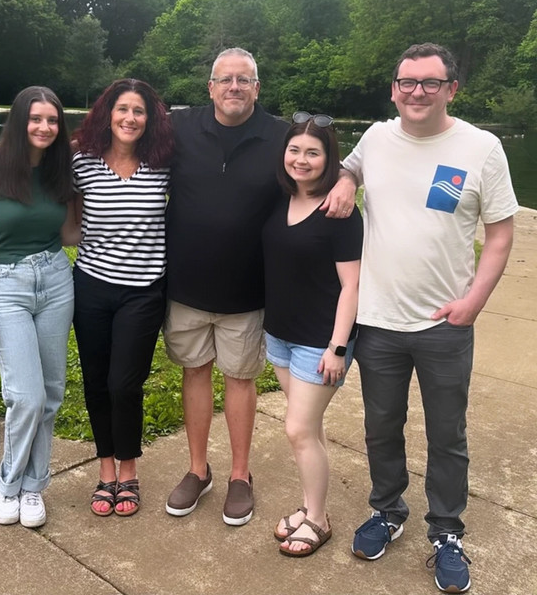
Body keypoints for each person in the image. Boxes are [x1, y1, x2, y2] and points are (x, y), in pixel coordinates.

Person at [338, 43, 518, 593]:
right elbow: (345, 169)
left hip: (445, 324)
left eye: (430, 83)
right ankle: (388, 510)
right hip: (379, 320)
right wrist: (347, 181)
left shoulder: (480, 147)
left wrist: (474, 301)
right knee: (380, 428)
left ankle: (446, 531)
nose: (418, 92)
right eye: (407, 82)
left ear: (451, 90)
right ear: (394, 89)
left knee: (447, 435)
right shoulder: (374, 138)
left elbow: (501, 232)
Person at [164, 47, 355, 526]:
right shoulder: (180, 127)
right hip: (185, 287)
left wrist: (347, 178)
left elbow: (320, 160)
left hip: (250, 293)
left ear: (257, 87)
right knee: (195, 374)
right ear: (210, 87)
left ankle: (240, 477)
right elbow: (121, 134)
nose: (234, 87)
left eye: (244, 79)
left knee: (240, 380)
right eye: (225, 79)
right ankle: (197, 469)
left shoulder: (279, 137)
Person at [0, 86, 75, 528]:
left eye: (52, 120)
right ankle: (8, 484)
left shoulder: (58, 170)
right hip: (5, 286)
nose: (45, 127)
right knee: (25, 397)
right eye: (36, 119)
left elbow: (69, 234)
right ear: (19, 120)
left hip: (54, 280)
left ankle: (34, 487)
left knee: (50, 395)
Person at [70, 79, 174, 517]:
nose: (129, 118)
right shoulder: (81, 161)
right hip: (91, 285)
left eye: (139, 111)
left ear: (149, 119)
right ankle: (106, 469)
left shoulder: (163, 163)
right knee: (95, 381)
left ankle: (128, 469)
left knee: (123, 383)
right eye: (122, 109)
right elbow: (33, 167)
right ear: (107, 114)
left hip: (144, 291)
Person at [263, 113, 363, 556]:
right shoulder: (279, 200)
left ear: (330, 159)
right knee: (309, 429)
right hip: (280, 334)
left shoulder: (340, 211)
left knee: (298, 430)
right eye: (294, 150)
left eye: (313, 153)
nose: (301, 160)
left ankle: (318, 520)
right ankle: (309, 506)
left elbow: (352, 286)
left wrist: (338, 347)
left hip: (320, 342)